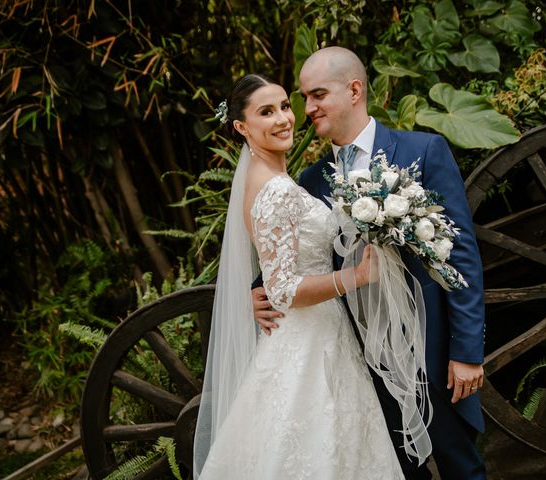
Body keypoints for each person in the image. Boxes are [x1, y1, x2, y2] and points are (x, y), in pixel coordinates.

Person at [253, 47, 487, 479]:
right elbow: (294, 247)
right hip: (360, 360)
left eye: (318, 94)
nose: (309, 109)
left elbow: (461, 255)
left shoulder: (424, 152)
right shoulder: (310, 179)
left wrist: (467, 351)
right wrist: (257, 288)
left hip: (431, 350)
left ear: (355, 89)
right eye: (304, 98)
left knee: (461, 466)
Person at [193, 73, 407, 479]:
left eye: (285, 107)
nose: (283, 119)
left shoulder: (275, 182)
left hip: (317, 334)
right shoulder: (275, 191)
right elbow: (284, 289)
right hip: (309, 342)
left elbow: (277, 271)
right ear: (241, 127)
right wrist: (358, 276)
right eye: (266, 112)